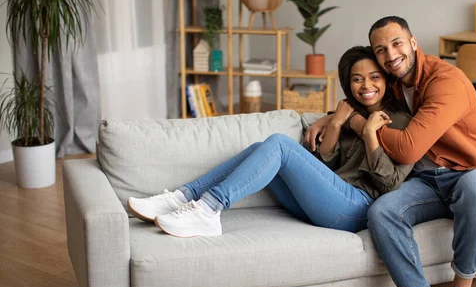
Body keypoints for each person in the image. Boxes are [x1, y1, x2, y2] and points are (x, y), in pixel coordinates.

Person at [306, 17, 476, 287]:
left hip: (473, 175)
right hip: (429, 180)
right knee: (383, 209)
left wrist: (356, 124)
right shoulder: (397, 84)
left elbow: (408, 147)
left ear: (414, 42)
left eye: (397, 44)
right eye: (381, 50)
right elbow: (367, 97)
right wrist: (331, 118)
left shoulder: (445, 80)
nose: (390, 55)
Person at [128, 46, 414, 239]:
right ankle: (179, 198)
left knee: (278, 144)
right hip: (325, 201)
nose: (366, 86)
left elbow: (389, 184)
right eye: (357, 79)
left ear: (387, 81)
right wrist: (337, 122)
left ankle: (208, 210)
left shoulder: (401, 120)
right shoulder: (346, 113)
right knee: (259, 150)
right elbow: (323, 164)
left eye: (375, 77)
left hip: (356, 210)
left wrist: (369, 135)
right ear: (347, 83)